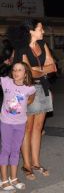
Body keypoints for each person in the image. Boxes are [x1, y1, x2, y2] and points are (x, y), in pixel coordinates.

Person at [12, 19, 57, 180]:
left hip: (43, 89)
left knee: (38, 128)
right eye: (40, 29)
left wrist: (39, 70)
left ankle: (36, 163)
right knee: (27, 129)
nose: (43, 31)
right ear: (31, 31)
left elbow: (53, 66)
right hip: (27, 91)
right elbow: (28, 73)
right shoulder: (21, 48)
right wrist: (41, 70)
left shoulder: (43, 44)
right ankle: (26, 165)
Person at [0, 62, 36, 192]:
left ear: (25, 73)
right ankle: (3, 179)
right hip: (6, 123)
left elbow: (31, 99)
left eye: (19, 70)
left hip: (20, 123)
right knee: (6, 150)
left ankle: (13, 178)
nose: (16, 72)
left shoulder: (30, 88)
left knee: (15, 151)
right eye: (14, 69)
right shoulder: (6, 82)